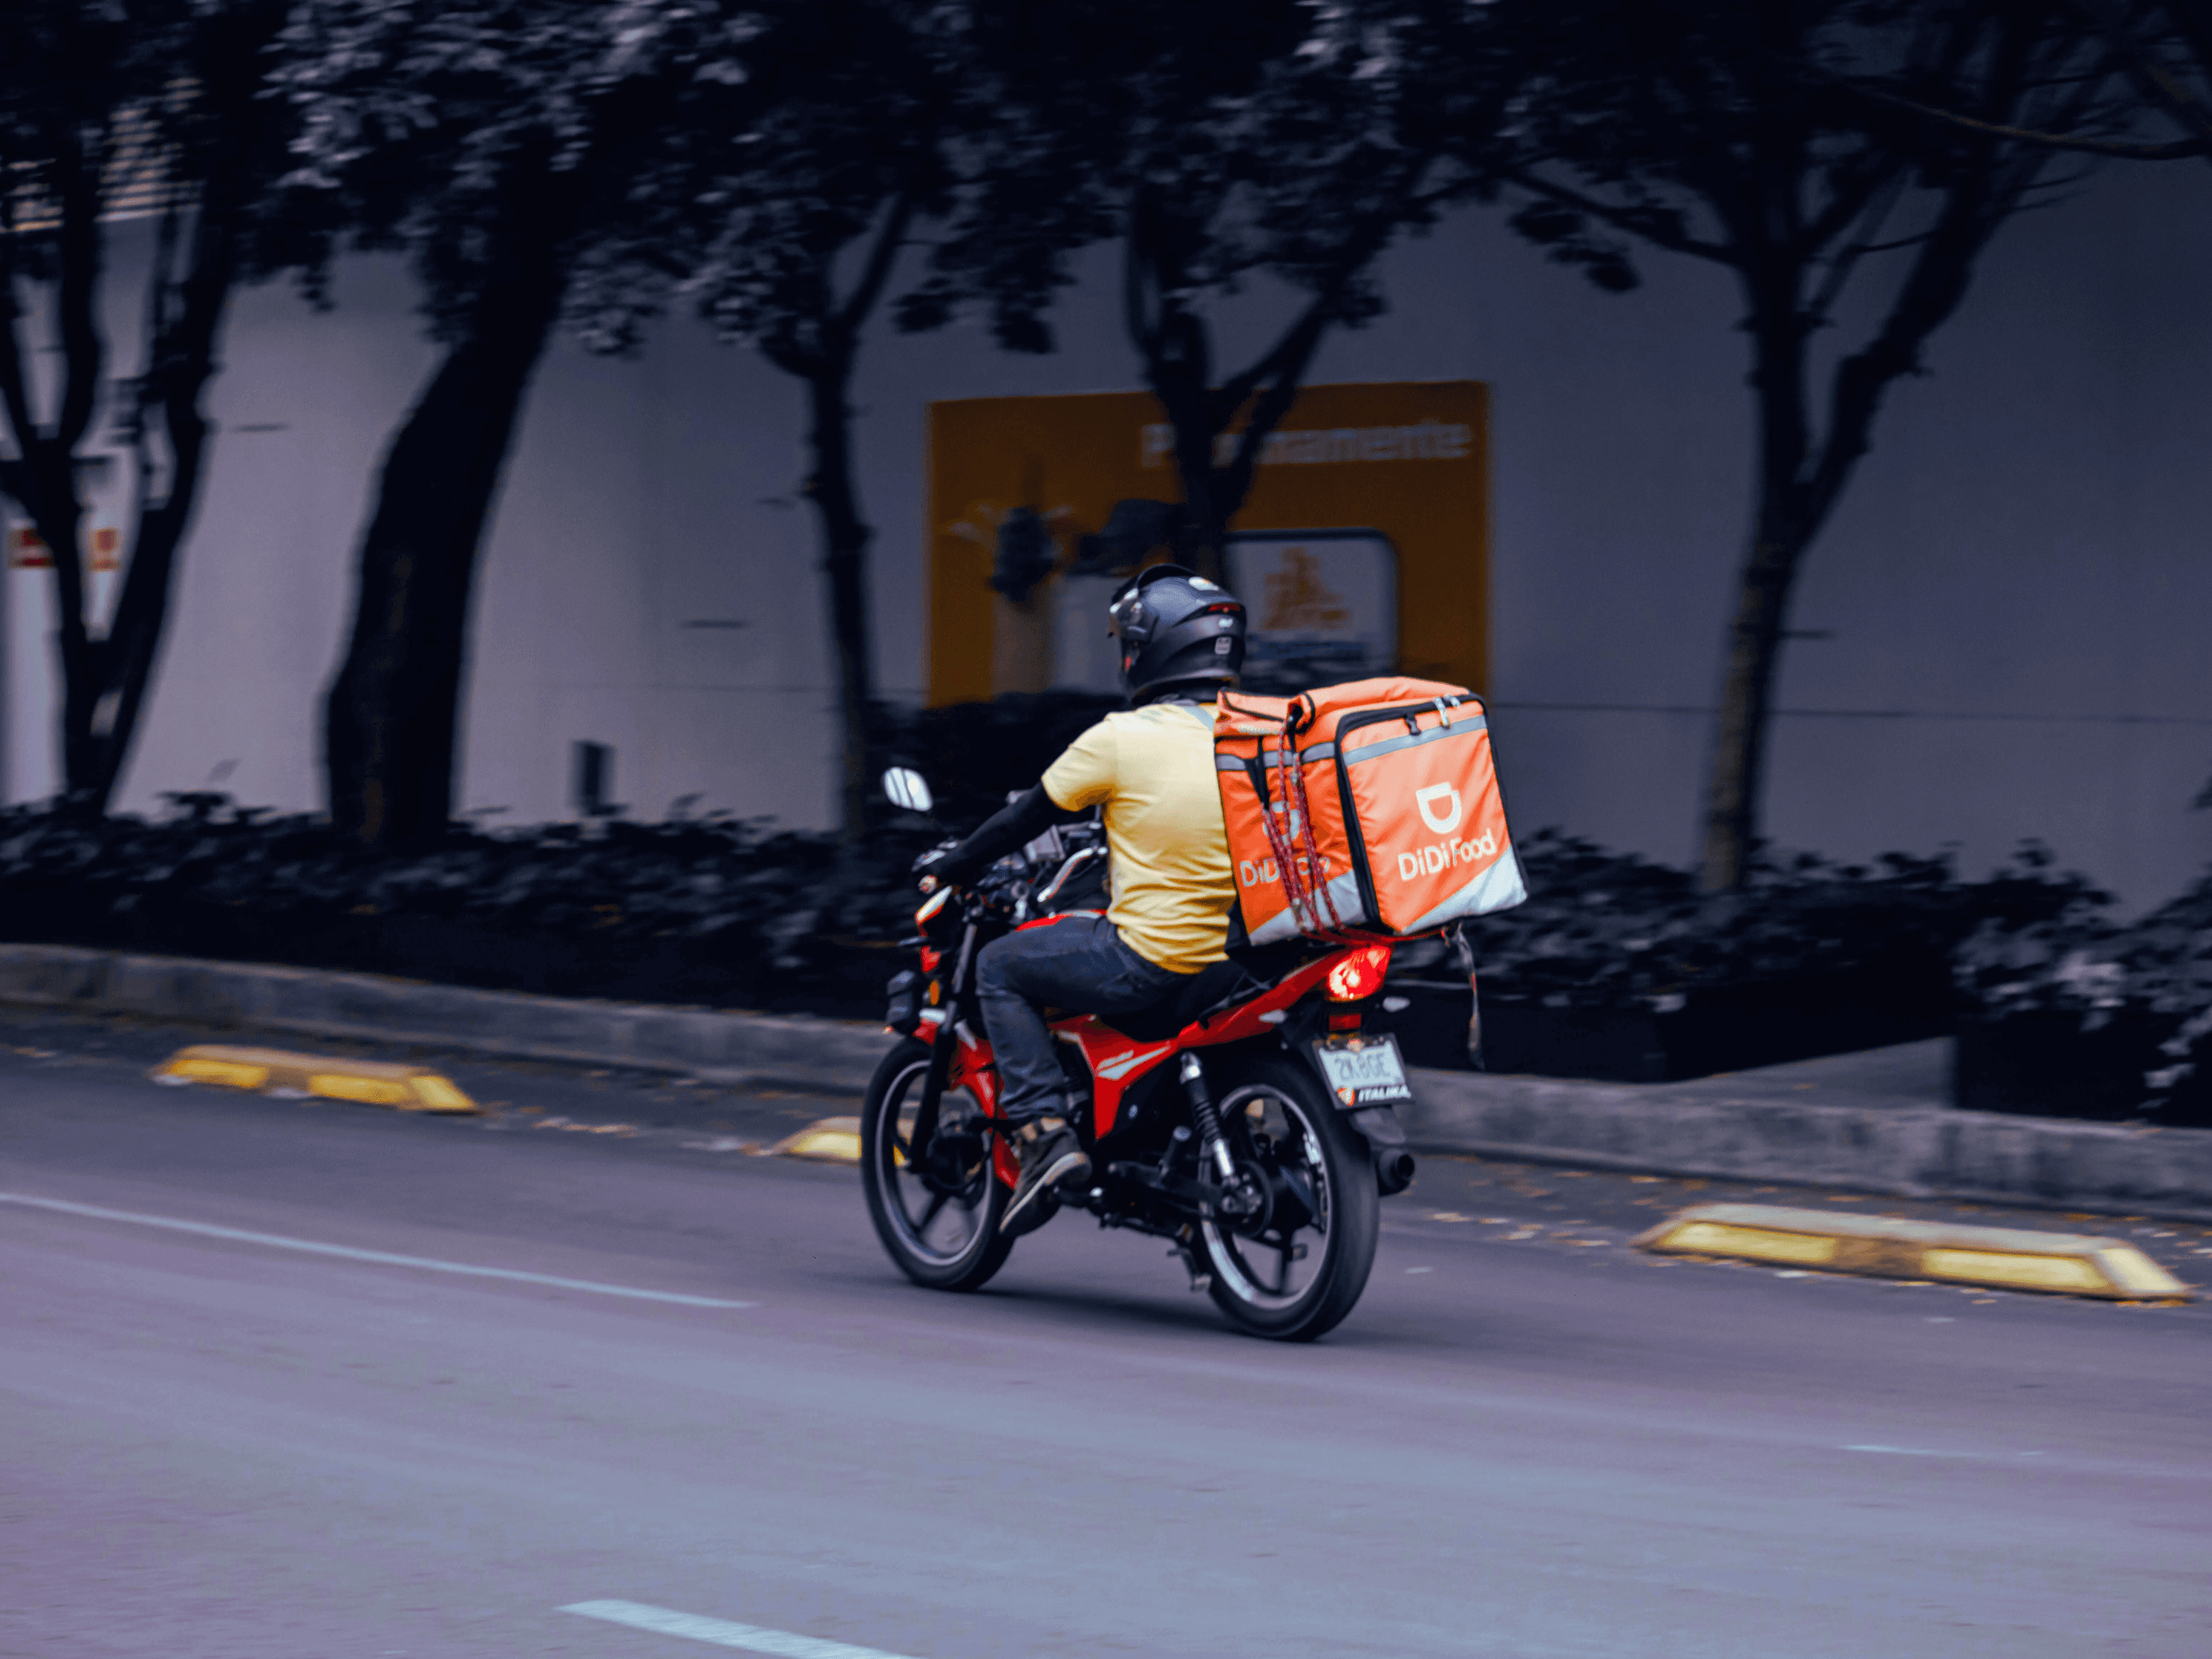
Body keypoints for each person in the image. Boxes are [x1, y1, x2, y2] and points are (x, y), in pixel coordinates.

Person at [914, 564, 1245, 1229]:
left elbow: (1023, 822)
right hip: (1243, 959)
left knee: (1000, 965)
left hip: (1154, 958)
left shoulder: (1121, 739)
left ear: (1148, 650)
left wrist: (950, 868)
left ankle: (1043, 1137)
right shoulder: (1259, 730)